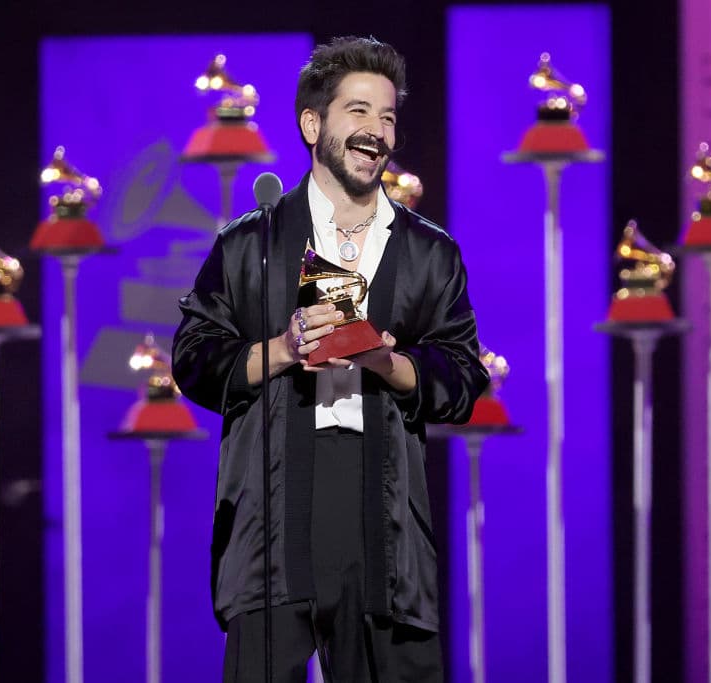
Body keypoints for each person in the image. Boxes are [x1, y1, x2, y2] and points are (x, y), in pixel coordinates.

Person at [172, 36, 489, 683]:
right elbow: (195, 357)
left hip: (384, 523)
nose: (377, 131)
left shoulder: (430, 252)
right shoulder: (250, 245)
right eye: (359, 112)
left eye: (389, 116)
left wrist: (387, 362)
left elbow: (463, 375)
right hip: (274, 511)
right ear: (312, 124)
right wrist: (285, 348)